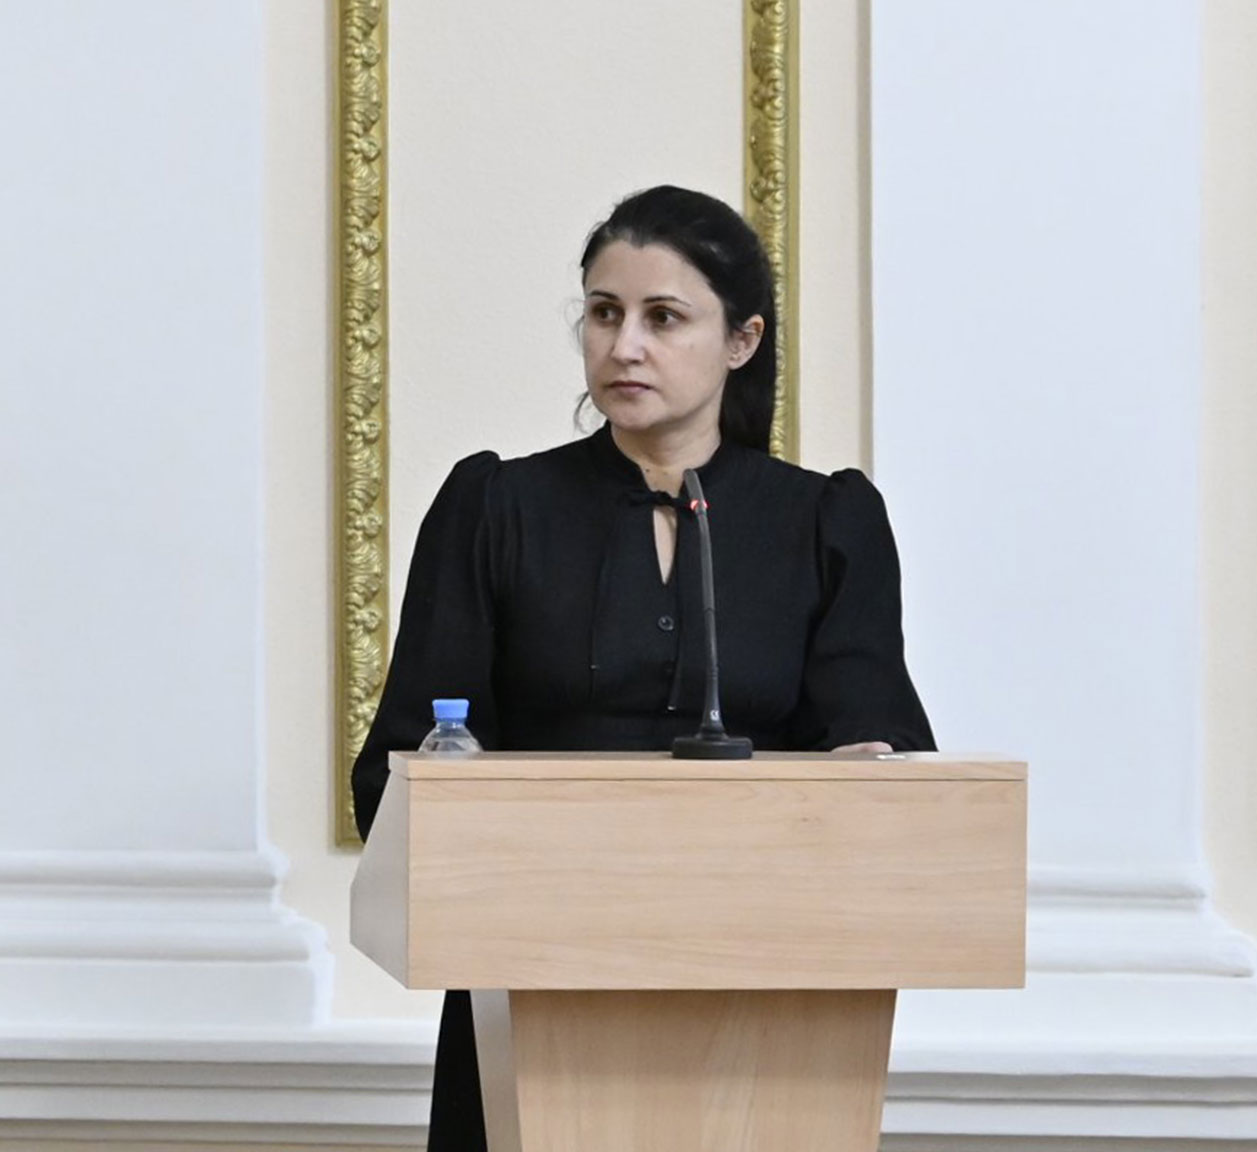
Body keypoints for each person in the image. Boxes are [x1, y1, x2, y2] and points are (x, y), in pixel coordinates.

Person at [350, 184, 934, 1152]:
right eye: (604, 313)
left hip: (765, 981)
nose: (624, 346)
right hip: (530, 970)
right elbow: (398, 767)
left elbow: (879, 747)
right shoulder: (495, 506)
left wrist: (868, 772)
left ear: (741, 340)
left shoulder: (824, 522)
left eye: (663, 318)